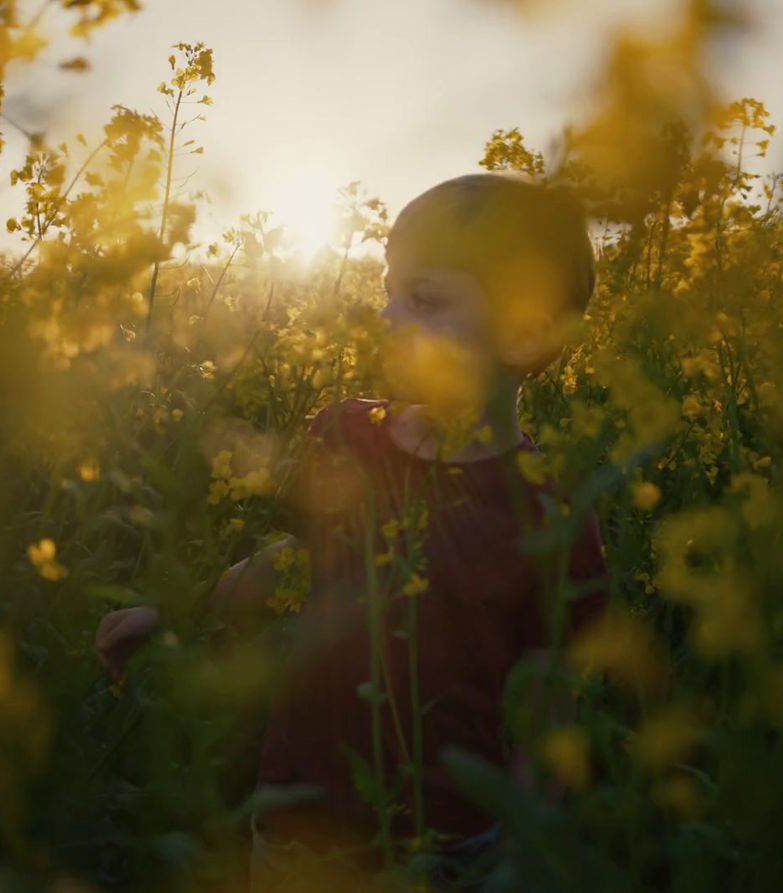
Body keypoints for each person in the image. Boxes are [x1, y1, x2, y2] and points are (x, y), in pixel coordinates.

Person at [94, 173, 610, 892]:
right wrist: (171, 614)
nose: (389, 315)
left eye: (424, 300)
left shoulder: (553, 508)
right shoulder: (347, 435)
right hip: (301, 822)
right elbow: (297, 561)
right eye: (389, 289)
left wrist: (522, 851)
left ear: (525, 332)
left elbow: (550, 703)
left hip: (454, 850)